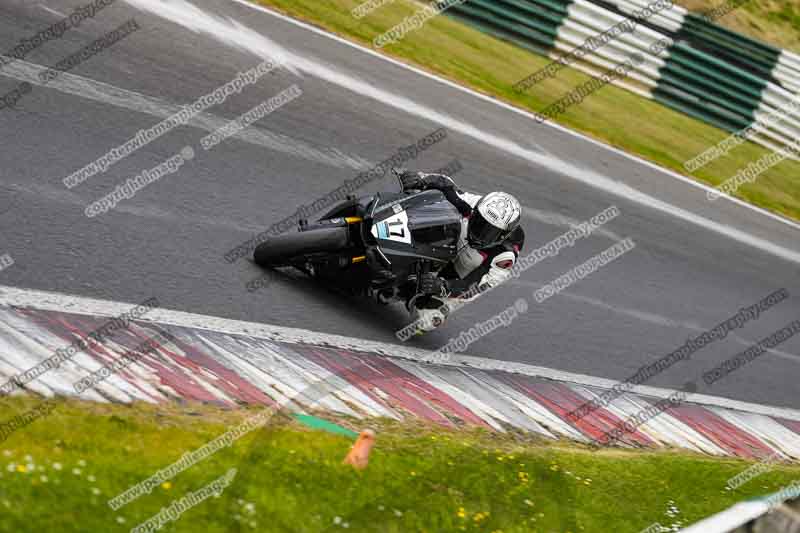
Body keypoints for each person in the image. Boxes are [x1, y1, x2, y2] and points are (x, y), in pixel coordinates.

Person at [397, 170, 525, 333]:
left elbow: (474, 286)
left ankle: (407, 289)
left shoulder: (504, 256)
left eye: (489, 232)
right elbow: (446, 185)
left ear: (503, 235)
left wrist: (443, 286)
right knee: (432, 206)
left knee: (427, 320)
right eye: (479, 223)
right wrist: (420, 179)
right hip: (445, 247)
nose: (479, 232)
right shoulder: (478, 206)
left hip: (457, 276)